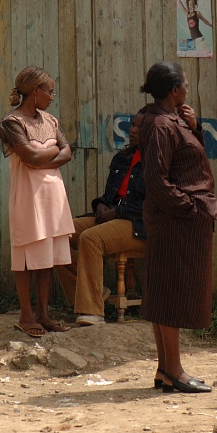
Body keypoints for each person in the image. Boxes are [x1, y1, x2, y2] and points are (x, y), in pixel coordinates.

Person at [138, 60, 217, 393]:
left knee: (165, 292)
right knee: (171, 294)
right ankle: (175, 370)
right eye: (185, 84)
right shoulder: (160, 124)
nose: (188, 89)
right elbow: (156, 179)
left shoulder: (171, 120)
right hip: (176, 221)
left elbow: (186, 159)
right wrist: (187, 209)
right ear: (174, 90)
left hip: (176, 219)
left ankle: (164, 369)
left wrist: (195, 126)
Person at [0, 66, 75, 338]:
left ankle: (43, 314)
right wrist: (52, 151)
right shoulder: (11, 123)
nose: (52, 97)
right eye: (49, 91)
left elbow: (67, 153)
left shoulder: (50, 120)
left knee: (47, 258)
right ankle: (25, 316)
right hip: (28, 198)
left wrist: (45, 155)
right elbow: (31, 157)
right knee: (26, 257)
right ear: (35, 92)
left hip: (53, 198)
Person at [54, 106, 148, 326]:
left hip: (138, 224)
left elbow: (152, 206)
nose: (132, 130)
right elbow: (109, 195)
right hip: (113, 217)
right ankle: (94, 293)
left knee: (91, 238)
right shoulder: (123, 158)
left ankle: (92, 311)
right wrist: (101, 207)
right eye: (133, 124)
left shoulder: (158, 162)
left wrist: (117, 212)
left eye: (139, 127)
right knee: (57, 234)